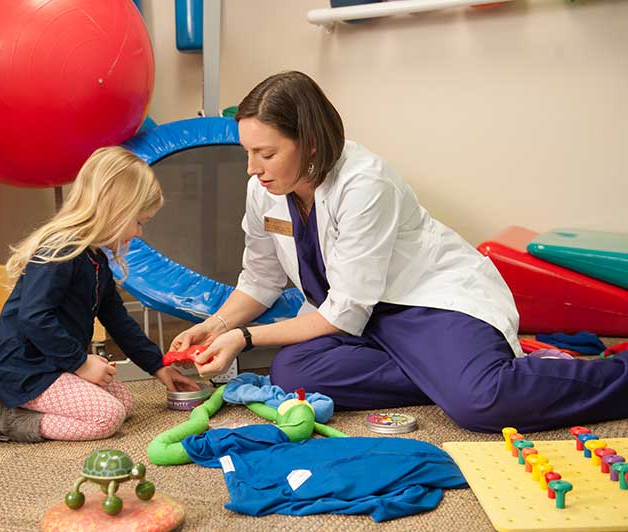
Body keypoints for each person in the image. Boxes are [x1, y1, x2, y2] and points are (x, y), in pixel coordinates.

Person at [171, 71, 628, 433]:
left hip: (427, 305)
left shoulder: (365, 182)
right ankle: (449, 376)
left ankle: (608, 377)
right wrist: (214, 327)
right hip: (364, 319)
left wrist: (245, 339)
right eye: (247, 152)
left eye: (265, 154)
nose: (253, 169)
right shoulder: (263, 191)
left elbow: (343, 316)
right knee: (293, 372)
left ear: (309, 143)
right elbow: (260, 280)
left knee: (483, 403)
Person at [0, 146, 199, 442]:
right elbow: (34, 317)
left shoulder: (96, 259)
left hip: (56, 364)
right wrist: (81, 363)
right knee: (107, 417)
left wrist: (158, 367)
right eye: (138, 222)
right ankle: (5, 417)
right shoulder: (59, 251)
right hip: (24, 371)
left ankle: (21, 407)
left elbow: (119, 321)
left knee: (125, 405)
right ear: (113, 209)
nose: (139, 233)